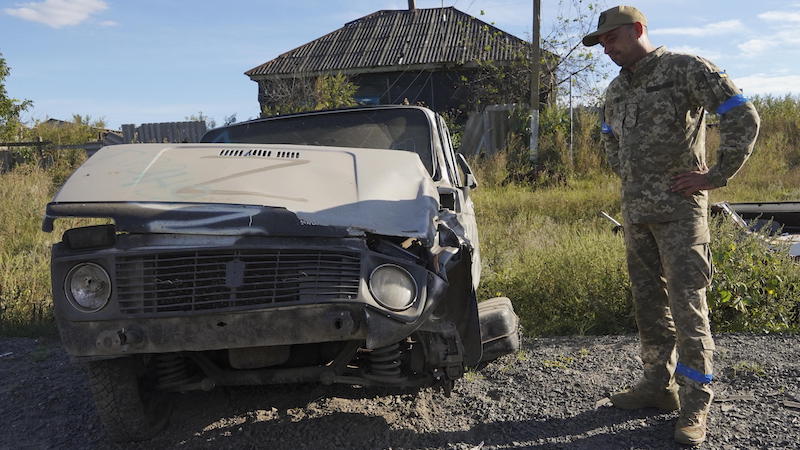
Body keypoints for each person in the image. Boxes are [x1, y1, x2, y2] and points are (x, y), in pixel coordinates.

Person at [582, 5, 760, 446]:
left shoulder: (685, 69)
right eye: (601, 42)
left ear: (638, 30)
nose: (606, 48)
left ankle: (695, 403)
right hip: (637, 215)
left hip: (681, 215)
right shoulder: (616, 88)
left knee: (688, 311)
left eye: (612, 39)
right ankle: (656, 387)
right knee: (649, 308)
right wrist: (625, 172)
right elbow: (607, 131)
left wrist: (715, 176)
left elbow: (743, 115)